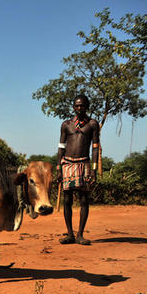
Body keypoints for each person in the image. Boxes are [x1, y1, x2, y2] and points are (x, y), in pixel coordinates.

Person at [56, 94, 100, 245]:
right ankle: (70, 234)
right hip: (67, 164)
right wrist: (58, 167)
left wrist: (94, 169)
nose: (79, 108)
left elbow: (95, 148)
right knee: (67, 200)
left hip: (84, 163)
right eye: (77, 105)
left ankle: (80, 235)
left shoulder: (93, 124)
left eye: (82, 105)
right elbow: (61, 147)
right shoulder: (66, 124)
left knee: (83, 200)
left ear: (87, 106)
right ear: (73, 107)